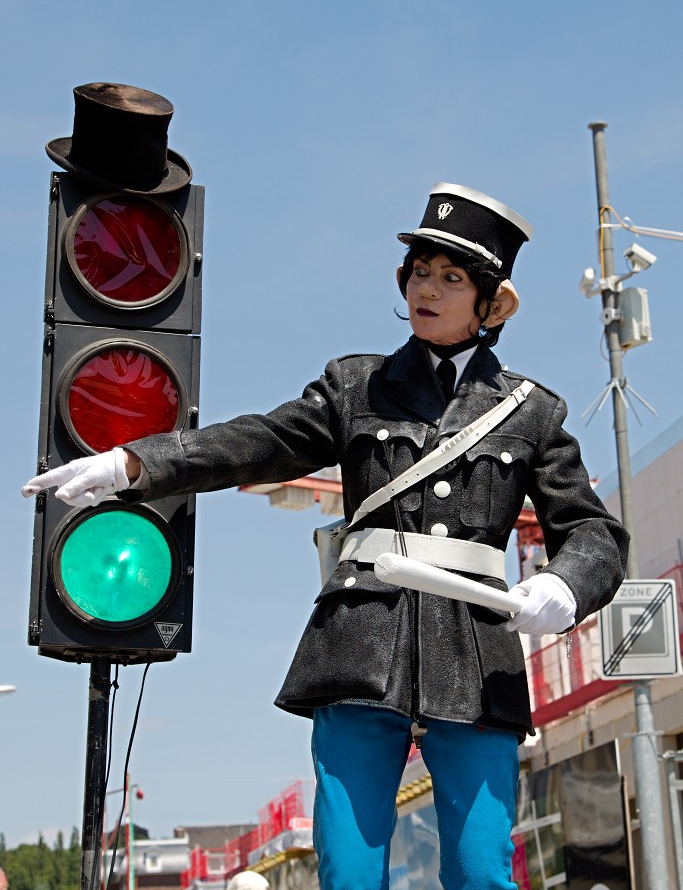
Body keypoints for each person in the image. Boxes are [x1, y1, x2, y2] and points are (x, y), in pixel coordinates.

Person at [23, 182, 629, 890]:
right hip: (359, 640)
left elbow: (591, 531)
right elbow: (259, 441)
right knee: (348, 867)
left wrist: (563, 584)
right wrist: (136, 462)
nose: (425, 290)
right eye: (418, 273)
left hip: (473, 650)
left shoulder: (530, 413)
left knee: (481, 867)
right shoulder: (355, 387)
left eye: (451, 278)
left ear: (492, 304)